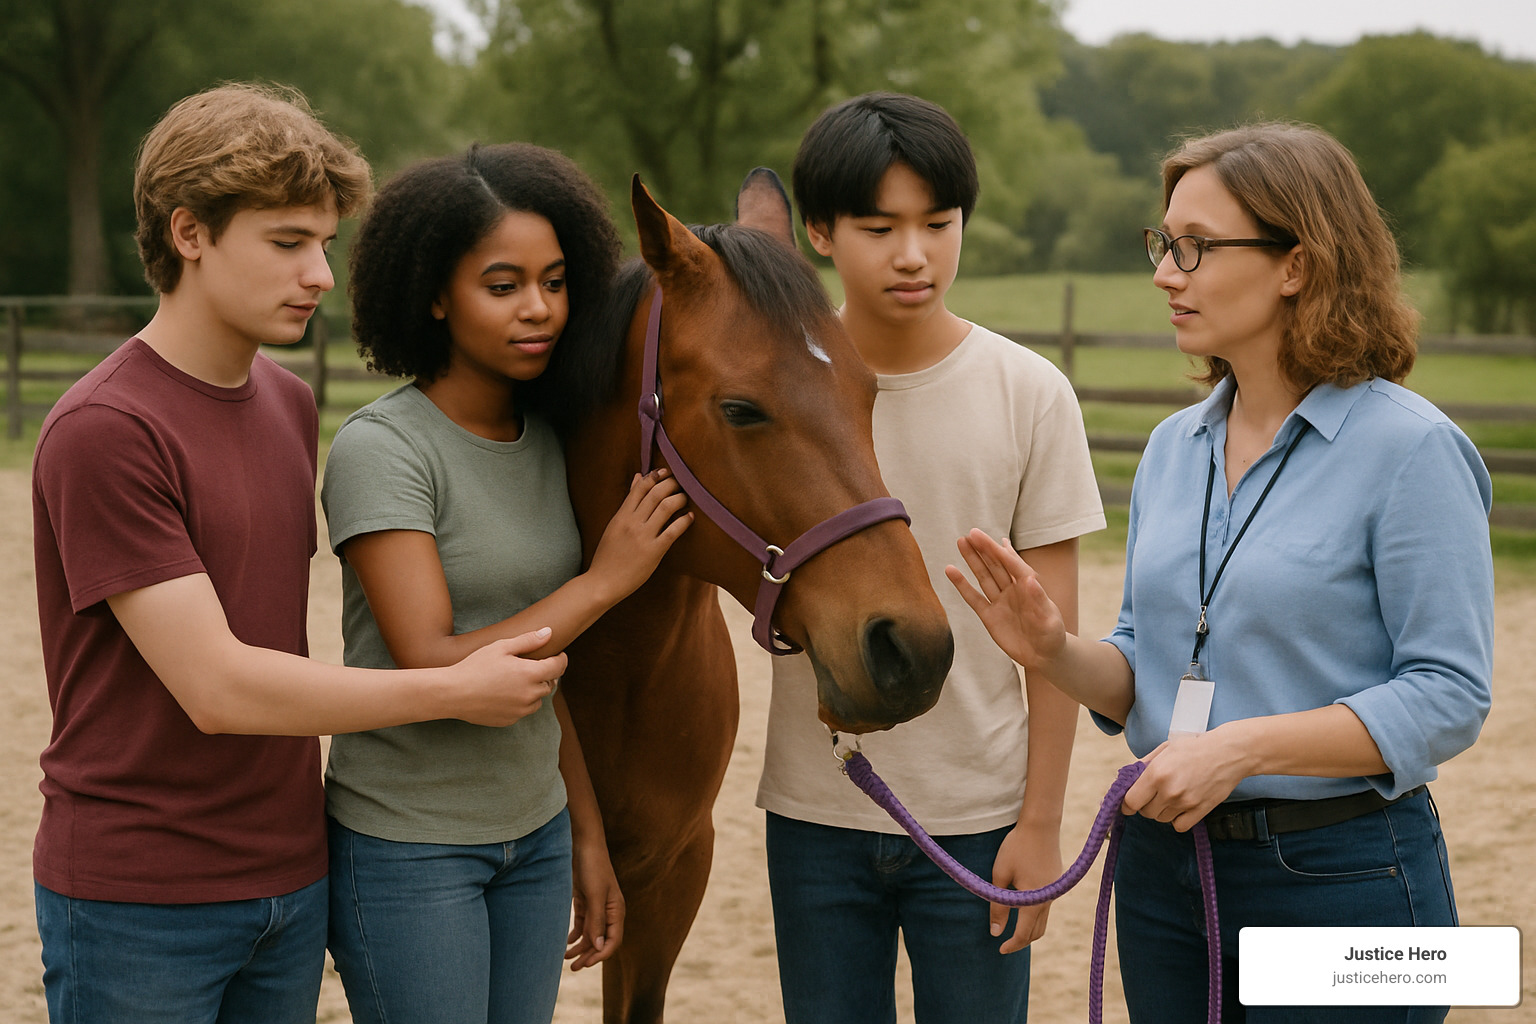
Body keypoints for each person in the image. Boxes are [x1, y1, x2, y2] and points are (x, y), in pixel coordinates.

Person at [30, 84, 571, 1024]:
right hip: (138, 897)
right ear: (189, 233)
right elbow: (219, 687)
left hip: (291, 874)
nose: (320, 273)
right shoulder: (107, 429)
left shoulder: (286, 404)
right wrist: (452, 688)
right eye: (287, 243)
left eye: (324, 242)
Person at [947, 122, 1493, 1023]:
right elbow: (1145, 664)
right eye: (1164, 244)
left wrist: (1239, 749)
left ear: (1297, 266)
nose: (1166, 273)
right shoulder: (1172, 448)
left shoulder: (1415, 450)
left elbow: (1448, 695)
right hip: (1165, 874)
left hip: (1346, 878)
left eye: (1196, 249)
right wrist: (1052, 650)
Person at [320, 141, 692, 1024]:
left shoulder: (551, 442)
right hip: (409, 845)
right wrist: (607, 580)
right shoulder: (383, 450)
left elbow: (540, 668)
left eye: (557, 282)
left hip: (533, 836)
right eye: (503, 286)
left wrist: (584, 838)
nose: (541, 311)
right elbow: (433, 659)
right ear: (436, 295)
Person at [754, 92, 1105, 1023]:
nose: (914, 254)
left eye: (937, 223)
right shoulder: (778, 390)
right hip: (815, 813)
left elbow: (1054, 642)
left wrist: (1040, 822)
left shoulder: (1032, 393)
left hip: (982, 818)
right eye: (879, 226)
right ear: (821, 232)